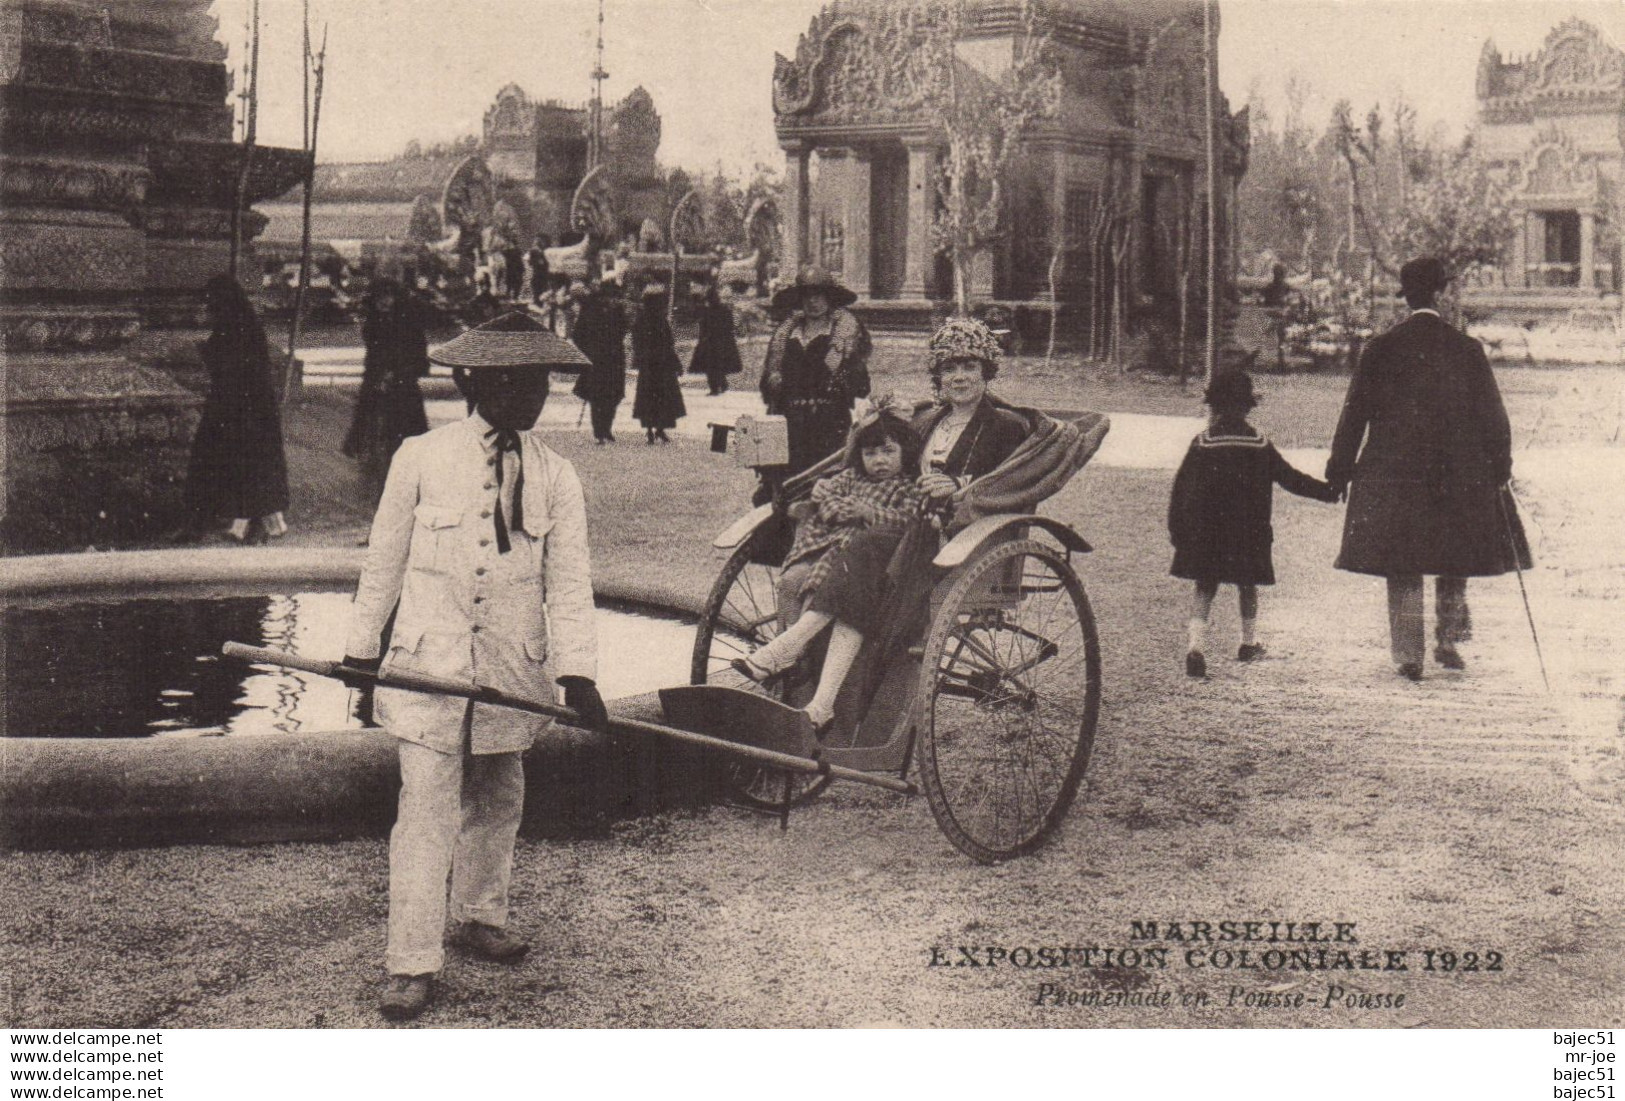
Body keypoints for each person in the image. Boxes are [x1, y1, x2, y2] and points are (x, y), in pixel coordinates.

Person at [342, 311, 610, 1021]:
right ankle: (410, 962)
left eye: (541, 384)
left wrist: (578, 672)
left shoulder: (557, 476)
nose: (531, 398)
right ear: (478, 381)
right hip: (429, 664)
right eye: (516, 383)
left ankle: (480, 913)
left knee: (498, 795)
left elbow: (570, 583)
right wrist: (362, 650)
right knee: (425, 810)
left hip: (510, 670)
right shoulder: (420, 457)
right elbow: (384, 561)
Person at [1325, 257, 1531, 681]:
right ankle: (1449, 638)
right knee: (1454, 549)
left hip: (1394, 468)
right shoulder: (1467, 349)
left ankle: (1408, 654)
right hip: (1458, 468)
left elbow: (1354, 415)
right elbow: (1495, 416)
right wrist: (1500, 466)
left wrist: (1339, 470)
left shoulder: (1379, 349)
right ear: (1441, 294)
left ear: (1408, 297)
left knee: (1403, 556)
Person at [730, 410, 926, 730]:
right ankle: (802, 685)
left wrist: (867, 512)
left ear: (905, 453)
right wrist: (843, 508)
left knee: (835, 584)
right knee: (794, 581)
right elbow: (828, 500)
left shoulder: (908, 486)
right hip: (834, 550)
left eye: (888, 452)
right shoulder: (849, 479)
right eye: (870, 453)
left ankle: (787, 654)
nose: (879, 460)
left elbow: (908, 523)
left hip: (875, 563)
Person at [1168, 370, 1339, 679]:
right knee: (1247, 585)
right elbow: (1291, 479)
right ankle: (1248, 642)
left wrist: (1178, 531)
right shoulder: (1259, 443)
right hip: (1250, 532)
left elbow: (1181, 489)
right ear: (1248, 406)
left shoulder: (1203, 443)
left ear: (1214, 406)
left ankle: (1196, 646)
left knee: (1205, 587)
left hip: (1210, 533)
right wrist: (1327, 492)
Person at [179, 274, 290, 543]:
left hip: (240, 409)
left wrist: (205, 352)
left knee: (236, 465)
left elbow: (233, 367)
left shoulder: (236, 327)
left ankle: (229, 525)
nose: (208, 309)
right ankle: (245, 525)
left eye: (211, 303)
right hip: (241, 408)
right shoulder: (241, 324)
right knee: (241, 466)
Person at [759, 266, 872, 476]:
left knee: (825, 481)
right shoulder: (785, 335)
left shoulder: (844, 336)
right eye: (807, 296)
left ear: (829, 299)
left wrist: (837, 378)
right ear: (800, 300)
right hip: (788, 424)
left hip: (828, 425)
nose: (813, 302)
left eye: (819, 296)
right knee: (783, 484)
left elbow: (861, 386)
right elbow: (768, 383)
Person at [343, 278, 430, 505]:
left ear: (396, 299)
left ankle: (405, 490)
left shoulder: (409, 326)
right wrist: (376, 381)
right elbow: (372, 362)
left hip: (403, 393)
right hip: (376, 391)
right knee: (373, 441)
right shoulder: (373, 325)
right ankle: (378, 492)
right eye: (379, 297)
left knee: (405, 443)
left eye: (387, 297)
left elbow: (421, 363)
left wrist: (397, 375)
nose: (383, 301)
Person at [571, 274, 628, 444]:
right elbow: (578, 334)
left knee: (611, 394)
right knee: (600, 395)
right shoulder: (590, 308)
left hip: (612, 356)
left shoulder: (616, 309)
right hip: (601, 357)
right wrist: (588, 350)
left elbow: (624, 328)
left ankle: (605, 429)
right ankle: (600, 430)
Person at [631, 281, 686, 444]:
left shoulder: (641, 320)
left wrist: (640, 357)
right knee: (662, 397)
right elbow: (668, 344)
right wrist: (676, 363)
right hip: (662, 364)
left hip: (649, 364)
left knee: (648, 396)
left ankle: (650, 429)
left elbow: (637, 342)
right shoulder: (661, 321)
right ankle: (659, 429)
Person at [688, 282, 743, 395]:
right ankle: (722, 384)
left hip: (709, 342)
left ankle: (715, 387)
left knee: (710, 366)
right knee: (719, 365)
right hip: (722, 342)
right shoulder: (724, 310)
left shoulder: (706, 311)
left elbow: (701, 323)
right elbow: (730, 325)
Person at [527, 237, 551, 305]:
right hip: (542, 273)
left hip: (538, 273)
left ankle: (537, 301)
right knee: (541, 287)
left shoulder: (534, 251)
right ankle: (539, 301)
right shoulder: (543, 251)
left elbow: (530, 262)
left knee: (537, 287)